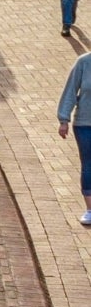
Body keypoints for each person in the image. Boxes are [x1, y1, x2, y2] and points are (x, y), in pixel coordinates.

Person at [58, 52, 91, 224]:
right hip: (85, 124)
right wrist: (64, 119)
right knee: (88, 164)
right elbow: (70, 90)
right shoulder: (83, 63)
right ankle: (90, 209)